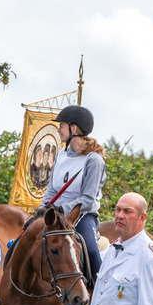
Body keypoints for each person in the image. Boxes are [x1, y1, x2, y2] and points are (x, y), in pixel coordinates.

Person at [42, 105, 106, 281]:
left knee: (91, 251)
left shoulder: (94, 160)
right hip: (54, 214)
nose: (59, 129)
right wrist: (43, 209)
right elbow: (52, 189)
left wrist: (60, 208)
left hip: (82, 215)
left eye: (61, 125)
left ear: (74, 128)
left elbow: (87, 199)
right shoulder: (61, 154)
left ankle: (98, 289)